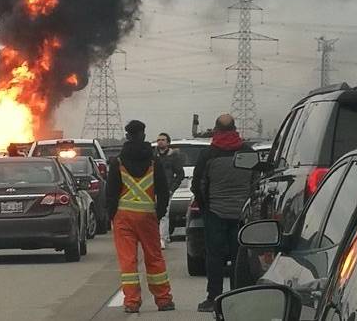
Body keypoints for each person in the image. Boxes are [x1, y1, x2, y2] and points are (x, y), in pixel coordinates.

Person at [106, 120, 175, 313]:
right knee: (154, 258)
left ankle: (132, 302)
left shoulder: (118, 162)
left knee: (128, 261)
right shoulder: (154, 162)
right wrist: (158, 213)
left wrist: (112, 216)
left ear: (128, 136)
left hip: (124, 218)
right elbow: (163, 191)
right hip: (148, 217)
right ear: (144, 135)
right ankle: (164, 300)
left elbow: (110, 193)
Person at [191, 114, 255, 312]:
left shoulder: (208, 154)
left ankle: (214, 298)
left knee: (215, 256)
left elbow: (197, 185)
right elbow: (257, 182)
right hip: (241, 214)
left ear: (216, 130)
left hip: (215, 213)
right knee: (240, 256)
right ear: (235, 129)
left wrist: (205, 208)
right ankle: (239, 298)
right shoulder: (247, 151)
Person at [154, 132, 184, 249]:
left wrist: (172, 188)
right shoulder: (153, 156)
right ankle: (153, 238)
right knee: (152, 215)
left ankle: (163, 238)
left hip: (166, 190)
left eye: (163, 139)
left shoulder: (173, 157)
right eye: (158, 139)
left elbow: (180, 174)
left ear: (168, 142)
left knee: (164, 214)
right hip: (152, 189)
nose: (160, 141)